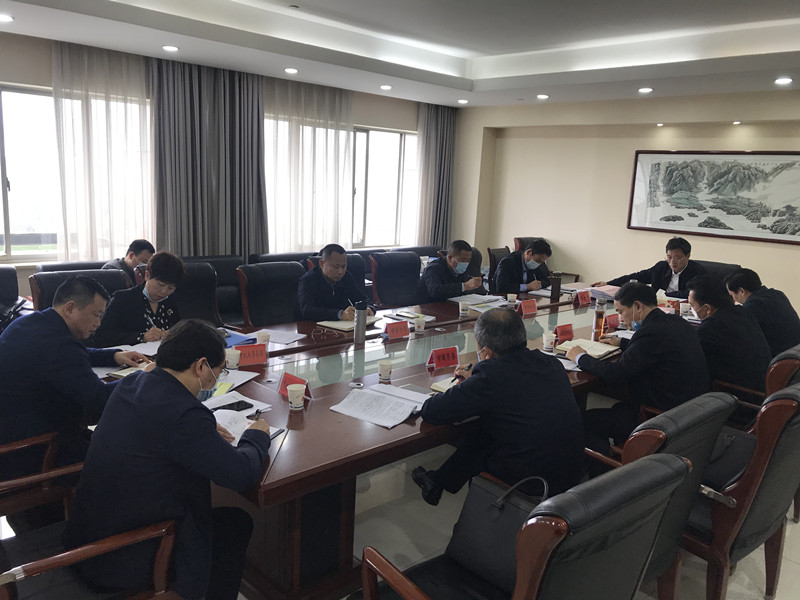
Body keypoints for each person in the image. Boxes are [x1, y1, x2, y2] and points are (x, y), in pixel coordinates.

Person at [64, 319, 272, 600]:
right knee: (235, 523)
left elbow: (159, 427)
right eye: (219, 370)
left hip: (90, 537)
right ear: (201, 366)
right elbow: (240, 473)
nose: (217, 378)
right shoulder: (183, 414)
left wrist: (203, 427)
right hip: (127, 555)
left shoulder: (133, 383)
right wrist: (256, 435)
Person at [412, 308, 584, 506]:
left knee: (486, 431)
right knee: (491, 427)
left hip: (532, 484)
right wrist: (476, 378)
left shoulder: (491, 377)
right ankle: (438, 482)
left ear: (486, 352)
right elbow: (514, 384)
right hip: (572, 476)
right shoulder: (551, 362)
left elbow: (432, 411)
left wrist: (475, 381)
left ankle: (448, 489)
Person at [0, 276, 148, 483]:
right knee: (132, 455)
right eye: (96, 315)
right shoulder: (58, 344)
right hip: (33, 451)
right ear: (70, 308)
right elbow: (100, 399)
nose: (98, 323)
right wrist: (145, 376)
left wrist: (113, 355)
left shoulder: (31, 324)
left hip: (15, 431)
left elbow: (73, 354)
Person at [566, 282, 709, 455]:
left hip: (658, 416)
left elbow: (615, 373)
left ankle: (605, 465)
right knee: (616, 408)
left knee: (583, 420)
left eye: (621, 312)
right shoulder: (674, 321)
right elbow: (653, 349)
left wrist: (580, 357)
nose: (620, 318)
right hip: (687, 410)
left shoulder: (650, 332)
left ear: (638, 306)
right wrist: (622, 342)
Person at [687, 275, 771, 392]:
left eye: (692, 305)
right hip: (764, 384)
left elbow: (693, 362)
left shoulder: (710, 328)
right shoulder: (742, 312)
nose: (691, 309)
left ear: (707, 308)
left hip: (740, 394)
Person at [88, 251, 185, 347]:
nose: (164, 292)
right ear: (147, 275)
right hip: (131, 355)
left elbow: (178, 328)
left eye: (170, 288)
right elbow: (100, 336)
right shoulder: (123, 299)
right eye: (160, 285)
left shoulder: (171, 300)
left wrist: (172, 334)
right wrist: (141, 337)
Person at [592, 236, 705, 299]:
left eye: (677, 258)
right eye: (669, 257)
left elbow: (690, 293)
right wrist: (608, 283)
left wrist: (663, 295)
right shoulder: (661, 267)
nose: (672, 262)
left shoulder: (698, 271)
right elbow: (637, 277)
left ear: (687, 256)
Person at [725, 268, 800, 357]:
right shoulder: (777, 294)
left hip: (780, 359)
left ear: (741, 291)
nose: (734, 300)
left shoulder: (752, 307)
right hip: (795, 352)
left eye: (732, 295)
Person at [297, 243, 374, 321]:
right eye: (336, 267)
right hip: (316, 326)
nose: (340, 271)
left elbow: (362, 299)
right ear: (322, 264)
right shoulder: (308, 280)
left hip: (343, 325)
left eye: (343, 267)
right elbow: (307, 311)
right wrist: (340, 314)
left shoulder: (346, 276)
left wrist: (369, 308)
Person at [417, 240, 485, 303]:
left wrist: (476, 285)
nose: (466, 263)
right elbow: (435, 291)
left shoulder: (464, 268)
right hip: (429, 306)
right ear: (450, 258)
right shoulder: (433, 268)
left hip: (452, 304)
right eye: (463, 260)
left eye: (468, 260)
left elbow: (477, 291)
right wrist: (464, 286)